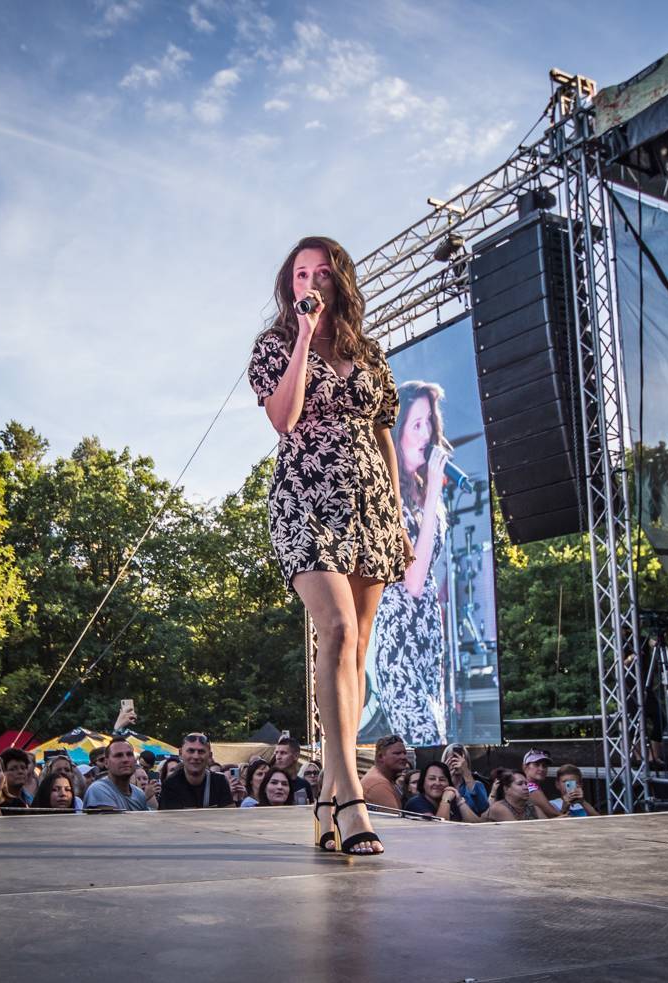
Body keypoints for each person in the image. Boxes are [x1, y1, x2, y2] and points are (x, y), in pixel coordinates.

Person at [248, 236, 410, 856]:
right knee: (336, 630)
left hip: (368, 505)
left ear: (339, 279)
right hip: (306, 499)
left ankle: (324, 801)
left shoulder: (369, 353)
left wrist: (397, 518)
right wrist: (301, 341)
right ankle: (348, 796)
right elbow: (284, 419)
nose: (309, 282)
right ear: (291, 287)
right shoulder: (272, 346)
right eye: (298, 275)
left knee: (358, 650)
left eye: (320, 272)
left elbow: (384, 436)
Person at [369, 380, 452, 745]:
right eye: (415, 425)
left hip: (428, 644)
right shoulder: (388, 497)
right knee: (425, 742)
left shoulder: (426, 492)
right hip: (400, 644)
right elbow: (412, 580)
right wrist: (434, 491)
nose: (425, 434)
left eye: (429, 423)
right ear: (396, 434)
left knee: (435, 746)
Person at [158, 734, 237, 809]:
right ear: (180, 753)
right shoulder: (170, 784)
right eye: (191, 751)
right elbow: (168, 820)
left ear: (210, 756)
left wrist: (237, 799)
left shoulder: (220, 782)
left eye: (201, 751)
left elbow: (230, 817)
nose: (196, 756)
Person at [82, 738, 150, 812]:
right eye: (118, 755)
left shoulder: (139, 794)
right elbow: (116, 822)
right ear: (106, 763)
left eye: (129, 754)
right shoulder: (98, 789)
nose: (125, 759)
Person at [403, 761, 480, 822]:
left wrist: (459, 801)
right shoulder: (415, 803)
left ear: (448, 783)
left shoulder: (452, 801)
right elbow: (439, 829)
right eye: (432, 779)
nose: (437, 783)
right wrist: (445, 801)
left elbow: (476, 826)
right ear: (423, 782)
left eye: (442, 779)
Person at [361, 734, 408, 811]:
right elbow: (395, 821)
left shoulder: (383, 779)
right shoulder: (378, 784)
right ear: (380, 757)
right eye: (397, 753)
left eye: (404, 753)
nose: (403, 757)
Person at [441, 743, 489, 817]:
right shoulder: (438, 785)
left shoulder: (477, 785)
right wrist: (445, 775)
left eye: (459, 758)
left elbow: (483, 808)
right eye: (452, 758)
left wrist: (466, 772)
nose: (456, 762)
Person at [521, 749, 563, 818]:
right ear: (525, 767)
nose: (541, 769)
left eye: (544, 766)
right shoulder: (530, 787)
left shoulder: (531, 786)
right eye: (536, 765)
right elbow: (555, 816)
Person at [273, 737, 312, 805]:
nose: (278, 757)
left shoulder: (304, 785)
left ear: (296, 756)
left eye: (283, 753)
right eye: (276, 753)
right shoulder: (270, 783)